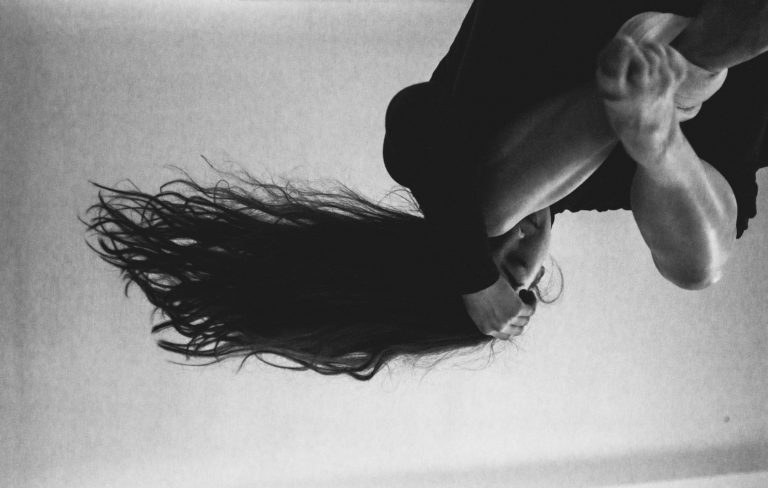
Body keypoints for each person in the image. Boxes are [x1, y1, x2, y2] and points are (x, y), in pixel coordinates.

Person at [82, 0, 768, 380]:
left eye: (493, 265)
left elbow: (410, 119)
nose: (522, 257)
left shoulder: (450, 140)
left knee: (492, 204)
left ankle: (674, 73)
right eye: (524, 280)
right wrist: (659, 153)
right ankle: (663, 115)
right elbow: (725, 209)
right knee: (696, 267)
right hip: (731, 106)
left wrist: (476, 279)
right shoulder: (590, 188)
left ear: (442, 248)